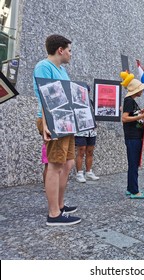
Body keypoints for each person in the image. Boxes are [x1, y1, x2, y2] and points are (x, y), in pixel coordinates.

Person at [33, 34, 81, 226]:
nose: (70, 54)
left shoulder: (62, 70)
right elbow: (45, 96)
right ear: (60, 50)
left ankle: (60, 205)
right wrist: (45, 124)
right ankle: (54, 214)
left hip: (66, 121)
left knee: (68, 164)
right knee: (54, 165)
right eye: (69, 50)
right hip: (53, 120)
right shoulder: (44, 66)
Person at [120, 71, 144, 199]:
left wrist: (139, 113)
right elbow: (125, 118)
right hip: (132, 137)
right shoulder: (128, 101)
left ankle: (130, 188)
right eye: (140, 89)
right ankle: (134, 191)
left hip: (135, 136)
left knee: (133, 164)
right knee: (133, 164)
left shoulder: (131, 101)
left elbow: (132, 115)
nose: (142, 91)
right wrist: (141, 115)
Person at [75, 85, 100, 183]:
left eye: (87, 91)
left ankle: (89, 172)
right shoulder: (76, 102)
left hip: (91, 130)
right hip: (81, 130)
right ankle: (79, 173)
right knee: (81, 151)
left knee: (90, 151)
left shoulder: (91, 102)